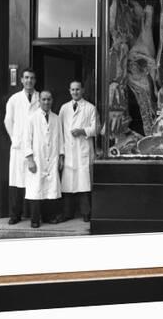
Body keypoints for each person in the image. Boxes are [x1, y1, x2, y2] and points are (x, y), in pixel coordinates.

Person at [23, 90, 65, 228]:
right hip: (37, 158)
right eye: (44, 99)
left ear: (52, 100)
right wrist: (30, 159)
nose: (46, 102)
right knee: (36, 190)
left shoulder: (56, 118)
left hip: (52, 158)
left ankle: (48, 217)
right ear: (39, 101)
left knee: (50, 190)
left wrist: (61, 157)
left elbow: (60, 139)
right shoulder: (32, 118)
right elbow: (26, 140)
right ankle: (35, 219)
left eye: (49, 99)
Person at [3, 68, 39, 225]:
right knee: (17, 182)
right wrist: (15, 139)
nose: (29, 80)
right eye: (26, 78)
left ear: (35, 80)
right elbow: (8, 121)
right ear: (21, 80)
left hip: (35, 146)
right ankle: (15, 215)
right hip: (18, 147)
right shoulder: (14, 99)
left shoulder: (40, 98)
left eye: (32, 78)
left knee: (34, 182)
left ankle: (34, 216)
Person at [59, 81, 98, 222]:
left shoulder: (90, 108)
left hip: (83, 149)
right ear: (69, 91)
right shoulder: (64, 108)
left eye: (78, 89)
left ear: (83, 90)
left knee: (84, 184)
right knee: (68, 184)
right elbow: (59, 131)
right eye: (73, 89)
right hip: (69, 151)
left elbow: (96, 128)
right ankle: (67, 213)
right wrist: (61, 153)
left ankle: (86, 213)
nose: (75, 92)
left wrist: (83, 131)